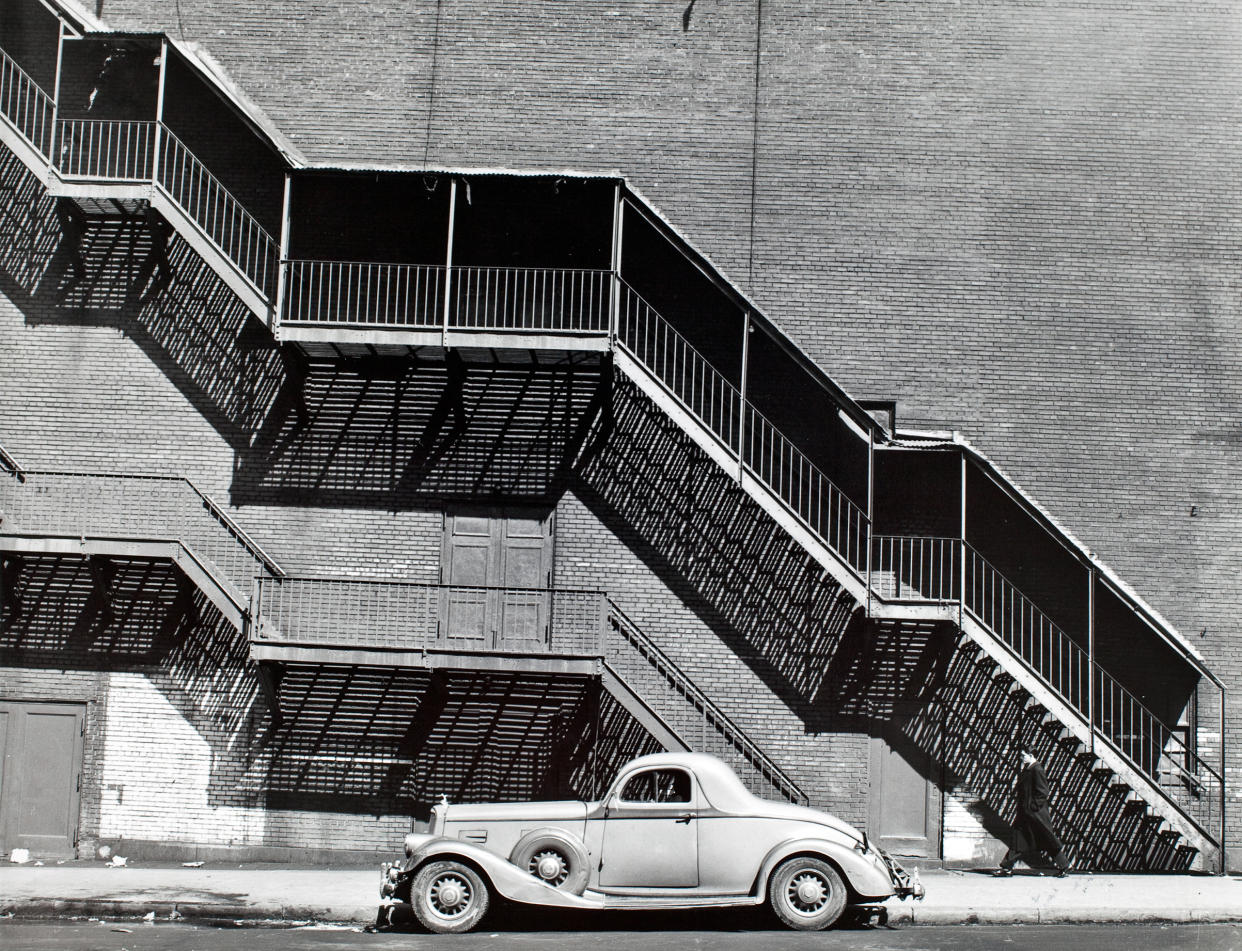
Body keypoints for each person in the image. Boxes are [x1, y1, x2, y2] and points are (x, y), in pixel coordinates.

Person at [993, 747, 1070, 877]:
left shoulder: (1037, 769)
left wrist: (1032, 807)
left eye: (1023, 755)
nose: (1021, 758)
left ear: (1031, 755)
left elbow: (1043, 791)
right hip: (1027, 814)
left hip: (1035, 815)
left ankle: (1065, 866)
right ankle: (1006, 867)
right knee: (1019, 840)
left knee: (1046, 840)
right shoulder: (1029, 769)